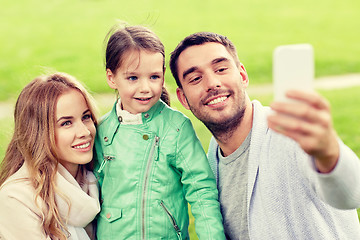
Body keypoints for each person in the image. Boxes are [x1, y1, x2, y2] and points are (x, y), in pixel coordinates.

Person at [170, 32, 360, 239]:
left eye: (221, 69)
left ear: (242, 76)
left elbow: (352, 194)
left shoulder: (290, 133)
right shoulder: (208, 169)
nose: (212, 83)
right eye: (196, 78)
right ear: (184, 99)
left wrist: (329, 153)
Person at [94, 25, 225, 239]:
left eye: (153, 77)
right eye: (133, 78)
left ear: (163, 75)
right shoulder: (102, 131)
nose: (145, 88)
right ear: (111, 78)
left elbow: (201, 190)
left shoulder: (176, 127)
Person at [0, 72, 100, 240]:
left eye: (86, 117)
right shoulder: (16, 198)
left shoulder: (96, 180)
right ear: (38, 133)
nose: (84, 132)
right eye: (66, 123)